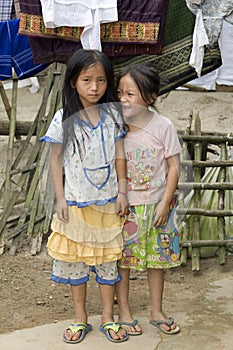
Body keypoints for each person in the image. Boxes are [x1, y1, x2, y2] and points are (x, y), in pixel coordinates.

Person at [41, 49, 129, 344]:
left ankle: (107, 317)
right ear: (72, 83)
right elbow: (56, 160)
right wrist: (60, 199)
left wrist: (122, 192)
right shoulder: (64, 118)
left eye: (101, 80)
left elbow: (119, 155)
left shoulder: (113, 115)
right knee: (76, 261)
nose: (95, 87)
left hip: (107, 204)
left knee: (107, 262)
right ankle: (80, 318)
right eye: (87, 80)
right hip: (76, 204)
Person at [115, 62, 181, 335]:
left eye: (130, 94)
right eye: (120, 93)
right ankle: (125, 311)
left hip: (158, 206)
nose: (123, 99)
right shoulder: (117, 126)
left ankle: (156, 310)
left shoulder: (163, 125)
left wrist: (165, 204)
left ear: (150, 96)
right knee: (124, 261)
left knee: (157, 261)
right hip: (127, 208)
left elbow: (174, 167)